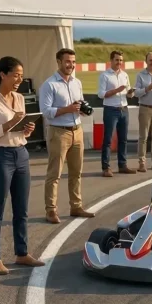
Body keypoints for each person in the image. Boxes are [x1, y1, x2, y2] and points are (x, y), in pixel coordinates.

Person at [0, 56, 45, 275]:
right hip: (0, 156)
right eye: (16, 75)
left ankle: (22, 253)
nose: (19, 80)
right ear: (3, 75)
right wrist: (10, 123)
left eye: (21, 76)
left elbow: (19, 130)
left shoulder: (19, 97)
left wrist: (26, 129)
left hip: (21, 153)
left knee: (21, 208)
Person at [39, 48, 94, 224]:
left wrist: (82, 109)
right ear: (59, 62)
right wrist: (68, 109)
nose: (71, 65)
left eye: (73, 61)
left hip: (77, 130)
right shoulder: (49, 85)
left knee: (76, 172)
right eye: (67, 61)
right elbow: (46, 111)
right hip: (58, 132)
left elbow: (80, 104)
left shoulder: (77, 82)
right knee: (54, 174)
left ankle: (76, 206)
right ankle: (51, 210)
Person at [98, 51, 135, 177]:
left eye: (121, 60)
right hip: (111, 109)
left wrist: (130, 93)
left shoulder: (125, 75)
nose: (119, 62)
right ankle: (106, 167)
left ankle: (122, 165)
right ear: (111, 60)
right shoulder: (105, 76)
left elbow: (128, 93)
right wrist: (117, 90)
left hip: (124, 108)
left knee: (123, 139)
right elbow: (101, 94)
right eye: (117, 60)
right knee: (108, 139)